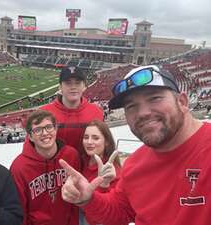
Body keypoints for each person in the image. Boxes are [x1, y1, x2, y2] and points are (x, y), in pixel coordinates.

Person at [60, 65, 211, 225]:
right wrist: (88, 199)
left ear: (182, 101)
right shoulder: (135, 165)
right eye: (131, 106)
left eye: (154, 98)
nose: (143, 113)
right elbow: (121, 212)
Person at [10, 110, 80, 225]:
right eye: (37, 130)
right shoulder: (19, 167)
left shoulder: (71, 155)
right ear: (30, 137)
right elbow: (21, 211)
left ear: (56, 129)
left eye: (49, 127)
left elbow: (77, 199)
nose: (45, 133)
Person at [40, 66, 103, 154]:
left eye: (77, 83)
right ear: (60, 87)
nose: (73, 87)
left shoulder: (96, 112)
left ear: (84, 86)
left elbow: (102, 146)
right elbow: (32, 146)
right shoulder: (43, 113)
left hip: (87, 166)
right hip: (56, 166)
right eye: (68, 83)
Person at [80, 119, 121, 225]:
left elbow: (110, 214)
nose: (89, 142)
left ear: (106, 142)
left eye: (95, 138)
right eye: (86, 137)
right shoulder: (82, 161)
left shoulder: (113, 173)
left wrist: (103, 185)